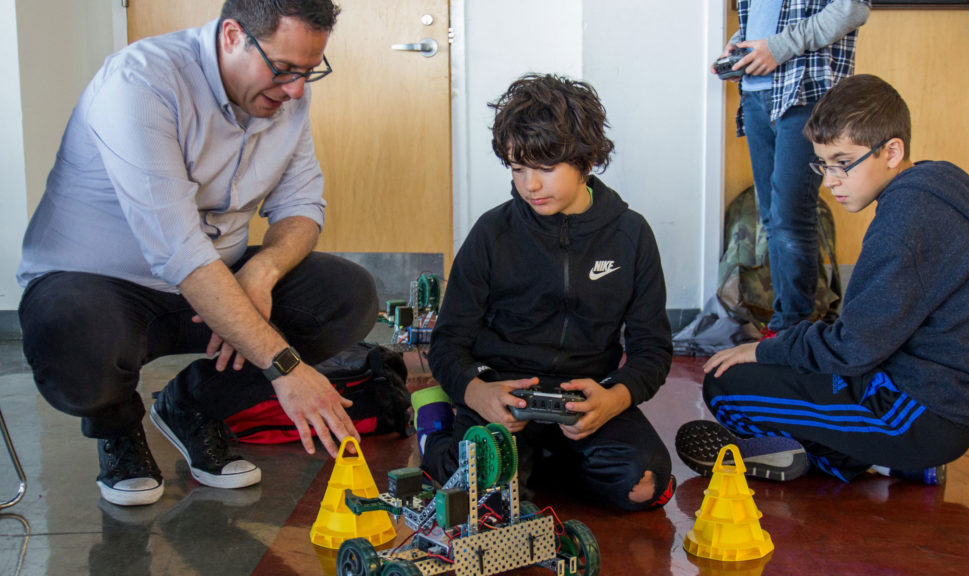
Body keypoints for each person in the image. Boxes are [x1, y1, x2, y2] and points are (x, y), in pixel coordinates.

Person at [17, 0, 379, 507]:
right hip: (99, 283)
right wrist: (287, 370)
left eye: (308, 72)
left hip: (211, 275)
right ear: (232, 36)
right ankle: (117, 426)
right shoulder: (140, 84)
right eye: (283, 69)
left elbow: (300, 208)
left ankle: (191, 405)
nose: (296, 89)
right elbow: (178, 250)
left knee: (348, 295)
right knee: (74, 336)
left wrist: (261, 271)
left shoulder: (283, 96)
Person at [676, 74, 969, 485]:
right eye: (823, 164)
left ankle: (843, 457)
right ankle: (860, 454)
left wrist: (766, 352)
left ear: (892, 151)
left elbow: (852, 349)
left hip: (922, 414)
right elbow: (863, 340)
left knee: (725, 384)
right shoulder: (929, 191)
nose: (830, 179)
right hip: (936, 401)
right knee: (789, 369)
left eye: (843, 163)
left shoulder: (907, 222)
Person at [416, 74, 675, 511]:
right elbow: (448, 343)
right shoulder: (491, 233)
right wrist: (478, 393)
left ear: (587, 160)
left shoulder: (631, 235)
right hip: (501, 396)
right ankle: (435, 431)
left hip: (583, 399)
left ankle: (540, 462)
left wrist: (614, 399)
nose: (530, 185)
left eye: (545, 168)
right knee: (484, 501)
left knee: (643, 486)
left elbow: (653, 350)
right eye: (518, 169)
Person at [717, 0, 870, 336]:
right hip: (756, 92)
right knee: (773, 216)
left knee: (789, 215)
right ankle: (788, 322)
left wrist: (778, 47)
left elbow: (852, 9)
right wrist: (740, 43)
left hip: (806, 91)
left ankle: (793, 327)